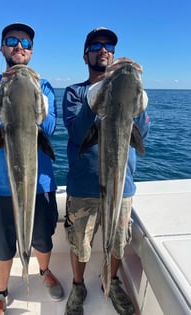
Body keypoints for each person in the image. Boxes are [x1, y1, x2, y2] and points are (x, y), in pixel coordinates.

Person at [0, 22, 64, 315]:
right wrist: (5, 86)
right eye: (12, 40)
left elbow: (48, 126)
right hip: (0, 185)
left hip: (40, 184)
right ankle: (2, 292)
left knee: (41, 236)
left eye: (25, 42)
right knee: (1, 242)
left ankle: (43, 271)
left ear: (32, 51)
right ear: (2, 48)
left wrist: (32, 86)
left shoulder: (44, 84)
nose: (19, 46)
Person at [62, 27, 150, 315]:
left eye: (109, 45)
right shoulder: (75, 93)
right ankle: (78, 286)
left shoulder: (130, 91)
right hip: (83, 188)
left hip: (122, 187)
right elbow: (77, 132)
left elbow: (142, 134)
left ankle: (111, 282)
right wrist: (96, 97)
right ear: (85, 54)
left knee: (117, 241)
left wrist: (136, 100)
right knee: (80, 242)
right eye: (96, 45)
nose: (104, 49)